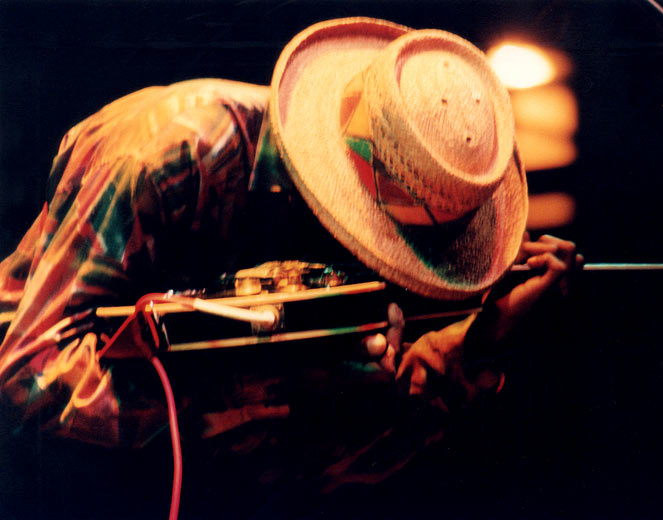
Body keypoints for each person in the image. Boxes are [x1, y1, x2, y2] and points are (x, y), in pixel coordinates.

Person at [0, 17, 580, 466]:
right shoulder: (172, 151)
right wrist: (277, 391)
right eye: (396, 248)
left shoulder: (386, 194)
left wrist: (464, 344)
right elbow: (27, 377)